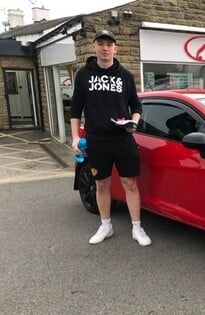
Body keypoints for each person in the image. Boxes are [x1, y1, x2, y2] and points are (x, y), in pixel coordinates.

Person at [70, 29, 151, 246]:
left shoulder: (126, 76)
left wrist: (134, 121)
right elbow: (75, 109)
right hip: (97, 139)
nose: (105, 48)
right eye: (101, 43)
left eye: (109, 44)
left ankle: (137, 228)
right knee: (102, 184)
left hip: (122, 138)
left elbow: (136, 105)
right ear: (94, 46)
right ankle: (106, 225)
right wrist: (75, 138)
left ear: (116, 48)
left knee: (130, 183)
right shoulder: (84, 75)